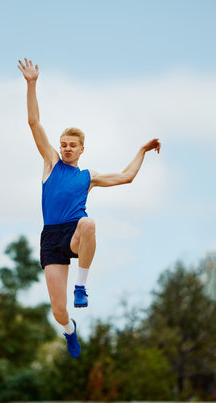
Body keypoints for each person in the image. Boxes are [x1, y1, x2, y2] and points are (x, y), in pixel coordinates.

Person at [17, 58, 161, 358]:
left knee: (89, 223)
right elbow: (34, 122)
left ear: (82, 149)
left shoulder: (88, 177)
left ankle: (81, 287)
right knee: (58, 310)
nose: (66, 147)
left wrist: (141, 151)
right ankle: (69, 330)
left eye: (72, 144)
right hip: (51, 237)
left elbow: (126, 177)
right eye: (63, 143)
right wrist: (31, 84)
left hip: (74, 231)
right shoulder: (51, 163)